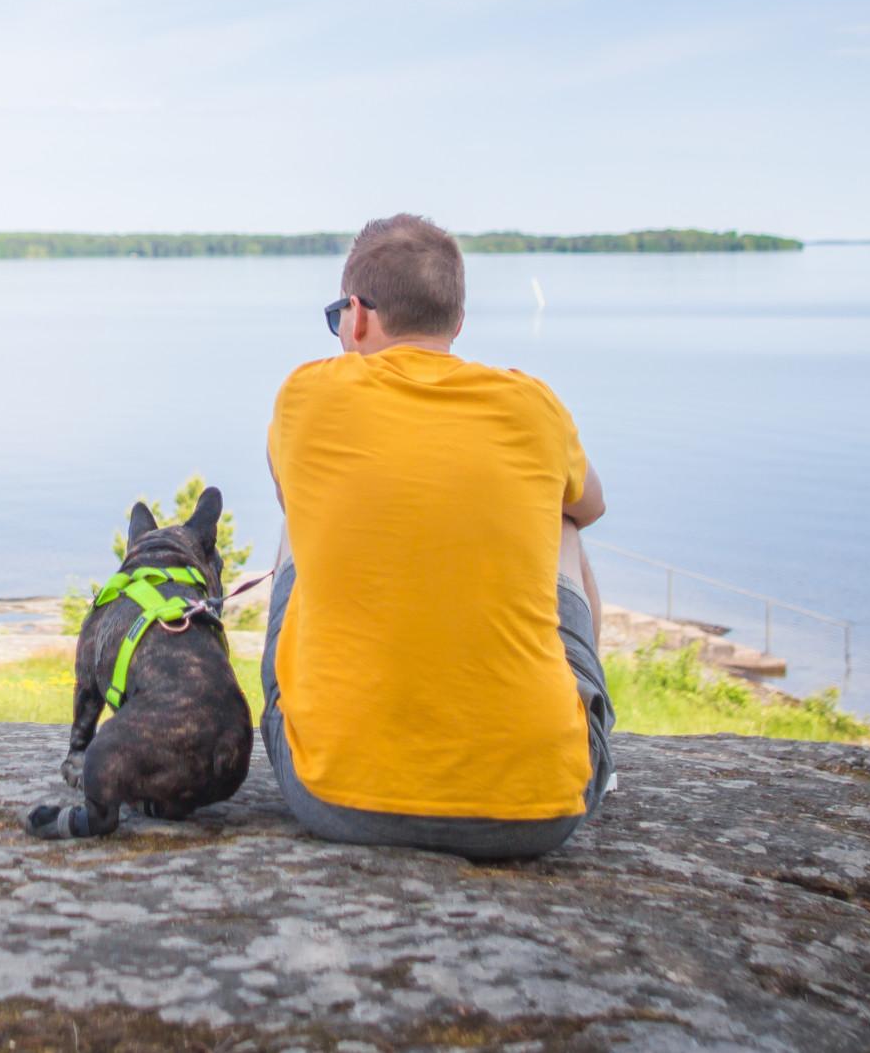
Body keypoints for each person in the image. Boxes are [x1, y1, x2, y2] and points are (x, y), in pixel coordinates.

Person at [260, 213, 615, 860]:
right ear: (456, 320)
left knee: (295, 519)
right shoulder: (531, 404)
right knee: (561, 517)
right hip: (541, 810)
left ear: (356, 315)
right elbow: (591, 506)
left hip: (333, 796)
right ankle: (587, 737)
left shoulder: (304, 394)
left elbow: (294, 498)